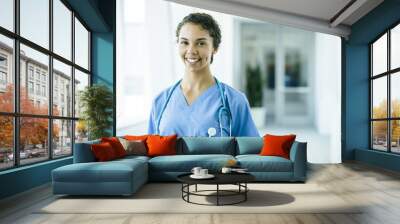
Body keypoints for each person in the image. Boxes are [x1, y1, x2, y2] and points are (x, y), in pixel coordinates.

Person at [148, 13, 259, 137]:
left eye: (200, 43)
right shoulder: (160, 102)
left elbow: (250, 153)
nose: (191, 51)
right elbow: (151, 151)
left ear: (215, 48)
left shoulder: (235, 101)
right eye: (185, 42)